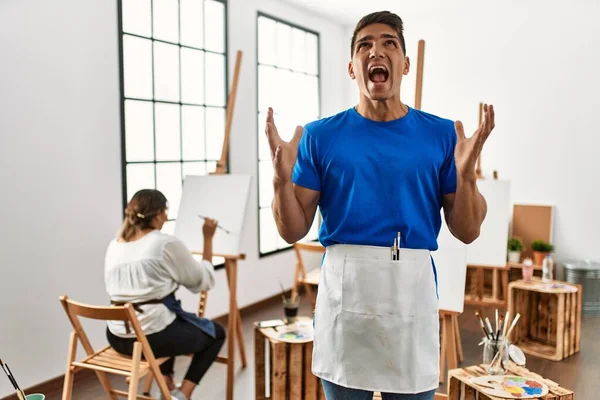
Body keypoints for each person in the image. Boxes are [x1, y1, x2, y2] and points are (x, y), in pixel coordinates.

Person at [265, 10, 495, 400]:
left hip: (412, 292)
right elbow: (292, 229)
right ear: (352, 68)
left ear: (405, 64)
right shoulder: (320, 136)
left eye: (389, 43)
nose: (377, 51)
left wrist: (468, 178)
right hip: (344, 295)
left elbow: (467, 229)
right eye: (364, 45)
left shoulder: (441, 135)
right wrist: (280, 183)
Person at [104, 189, 225, 400]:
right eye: (166, 212)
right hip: (149, 339)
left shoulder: (115, 244)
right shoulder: (163, 243)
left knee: (168, 318)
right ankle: (182, 395)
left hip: (117, 337)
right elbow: (201, 281)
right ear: (159, 214)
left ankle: (166, 382)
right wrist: (208, 238)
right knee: (216, 333)